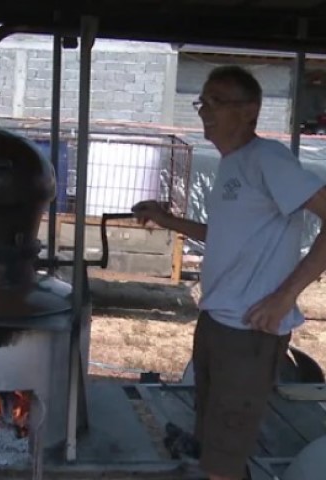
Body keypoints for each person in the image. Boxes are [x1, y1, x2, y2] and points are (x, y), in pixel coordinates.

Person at [133, 65, 326, 480]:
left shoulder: (267, 159)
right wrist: (168, 221)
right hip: (218, 322)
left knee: (225, 457)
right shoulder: (232, 164)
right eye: (203, 101)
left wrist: (284, 297)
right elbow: (222, 233)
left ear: (250, 111)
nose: (205, 110)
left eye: (217, 101)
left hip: (249, 332)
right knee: (214, 447)